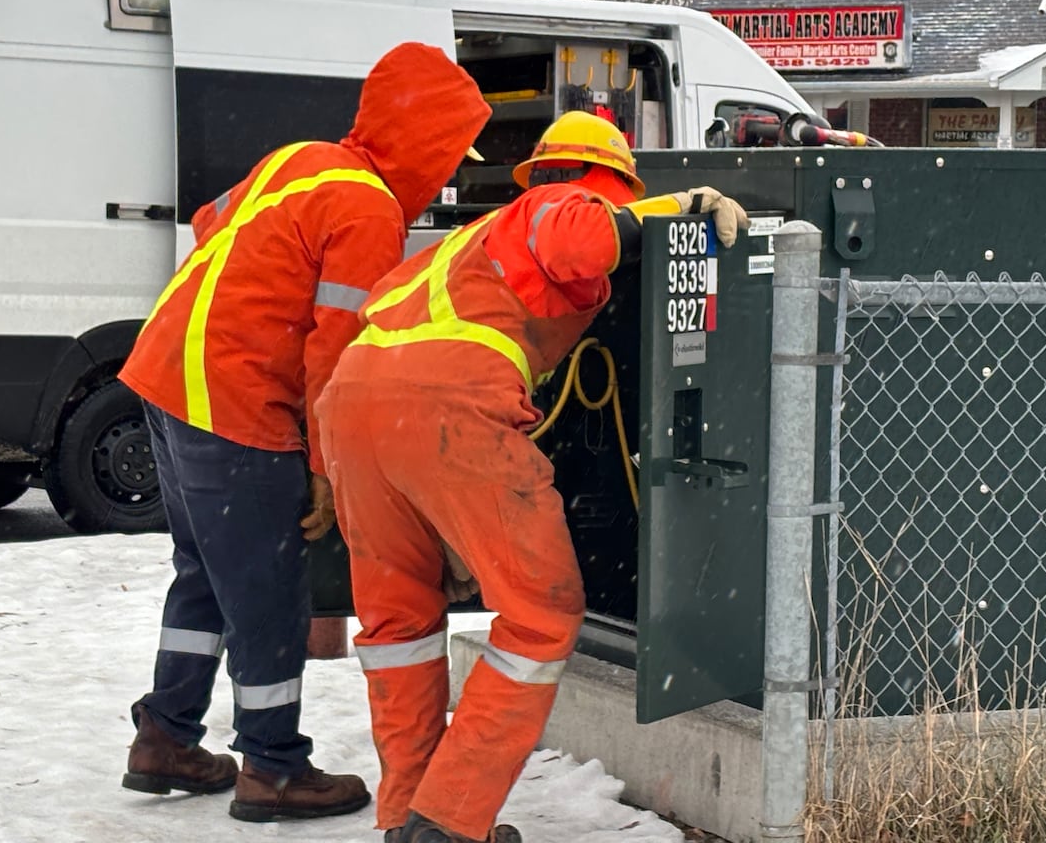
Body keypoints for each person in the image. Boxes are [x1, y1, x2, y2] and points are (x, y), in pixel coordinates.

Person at [316, 110, 749, 843]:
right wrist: (675, 212)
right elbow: (584, 237)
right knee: (543, 615)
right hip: (446, 406)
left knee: (399, 628)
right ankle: (451, 820)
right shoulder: (557, 203)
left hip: (354, 414)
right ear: (606, 182)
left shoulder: (463, 244)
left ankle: (409, 818)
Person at [117, 41, 491, 823]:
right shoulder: (369, 210)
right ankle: (274, 769)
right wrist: (326, 469)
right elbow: (333, 350)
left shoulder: (305, 159)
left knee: (204, 573)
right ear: (423, 137)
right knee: (268, 593)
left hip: (165, 373)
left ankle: (166, 738)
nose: (450, 169)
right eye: (451, 149)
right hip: (234, 400)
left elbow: (212, 222)